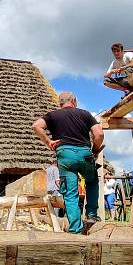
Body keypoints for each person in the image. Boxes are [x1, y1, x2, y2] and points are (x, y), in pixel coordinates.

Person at [32, 91, 104, 234]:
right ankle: (91, 214)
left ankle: (75, 229)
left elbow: (36, 126)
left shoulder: (53, 115)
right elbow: (99, 134)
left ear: (60, 104)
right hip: (84, 154)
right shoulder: (85, 114)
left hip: (65, 155)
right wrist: (95, 150)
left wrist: (48, 142)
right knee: (92, 181)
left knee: (70, 193)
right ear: (74, 101)